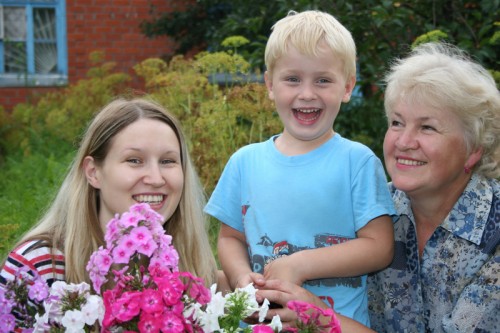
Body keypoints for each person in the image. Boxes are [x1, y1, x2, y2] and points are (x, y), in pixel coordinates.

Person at [257, 42, 500, 333]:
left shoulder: (494, 232)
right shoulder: (370, 210)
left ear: (473, 149)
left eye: (427, 127)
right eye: (397, 123)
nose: (404, 142)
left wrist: (318, 317)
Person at [204, 10, 396, 327]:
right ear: (269, 84)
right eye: (292, 79)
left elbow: (379, 247)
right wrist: (241, 279)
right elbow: (229, 238)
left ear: (347, 87)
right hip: (260, 322)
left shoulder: (357, 162)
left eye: (323, 80)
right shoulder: (244, 162)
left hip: (333, 324)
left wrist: (301, 264)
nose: (307, 93)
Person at [0, 97, 222, 292]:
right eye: (134, 160)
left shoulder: (194, 266)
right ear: (93, 172)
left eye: (168, 161)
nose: (156, 178)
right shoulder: (36, 267)